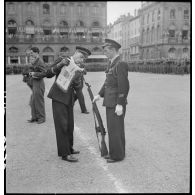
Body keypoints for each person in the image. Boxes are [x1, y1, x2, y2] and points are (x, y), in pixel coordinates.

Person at [45, 46, 91, 162]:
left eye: (84, 59)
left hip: (69, 98)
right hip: (59, 97)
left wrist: (80, 75)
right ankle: (65, 153)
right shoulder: (64, 60)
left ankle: (69, 148)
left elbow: (76, 86)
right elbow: (48, 73)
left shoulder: (77, 67)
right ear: (75, 53)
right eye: (81, 57)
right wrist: (60, 64)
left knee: (69, 125)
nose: (81, 60)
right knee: (62, 126)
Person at [93, 39, 130, 163]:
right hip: (110, 101)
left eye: (106, 51)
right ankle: (115, 152)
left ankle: (117, 155)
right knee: (113, 128)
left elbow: (123, 85)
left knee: (116, 129)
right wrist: (99, 94)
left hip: (116, 103)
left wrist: (120, 103)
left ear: (113, 50)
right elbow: (108, 82)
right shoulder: (112, 63)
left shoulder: (120, 64)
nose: (105, 53)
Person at [28, 47, 46, 124]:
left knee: (39, 101)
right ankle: (34, 117)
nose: (30, 54)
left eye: (32, 52)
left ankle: (42, 118)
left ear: (36, 53)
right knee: (32, 101)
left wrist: (34, 73)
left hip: (39, 83)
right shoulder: (36, 61)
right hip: (35, 82)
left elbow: (45, 73)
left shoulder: (40, 61)